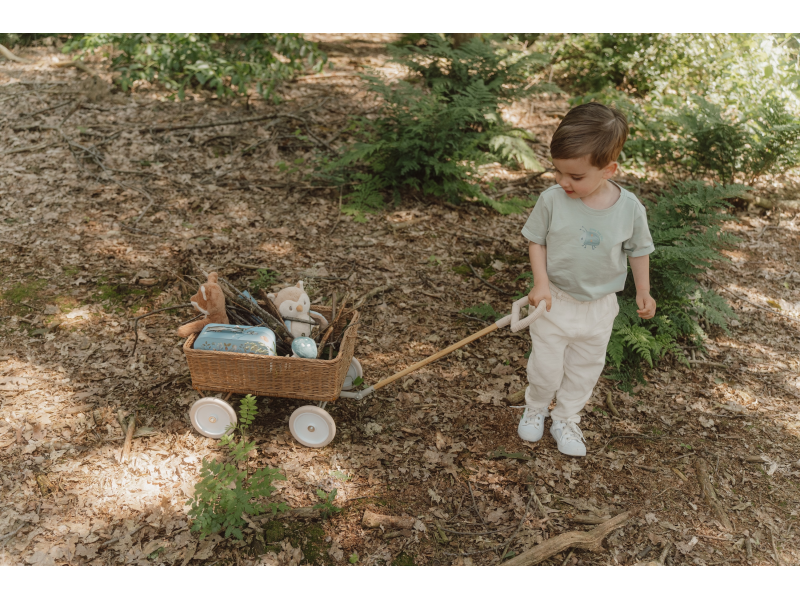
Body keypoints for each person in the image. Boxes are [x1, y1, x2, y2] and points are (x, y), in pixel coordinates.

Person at [518, 102, 656, 457]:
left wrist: (643, 290)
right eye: (558, 172)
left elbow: (639, 250)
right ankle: (535, 407)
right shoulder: (552, 200)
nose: (564, 182)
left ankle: (566, 418)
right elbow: (537, 241)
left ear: (609, 170)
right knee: (545, 368)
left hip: (599, 309)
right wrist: (541, 283)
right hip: (555, 302)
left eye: (576, 177)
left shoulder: (630, 209)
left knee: (584, 372)